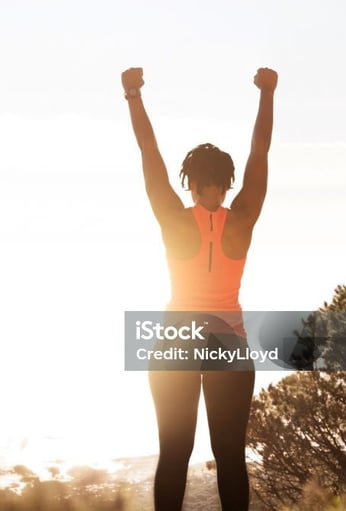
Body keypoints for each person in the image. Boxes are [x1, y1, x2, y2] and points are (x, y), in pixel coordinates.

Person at [122, 66, 277, 510]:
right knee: (230, 457)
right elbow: (260, 150)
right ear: (228, 183)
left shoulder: (175, 220)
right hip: (228, 342)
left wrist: (133, 94)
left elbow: (149, 151)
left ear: (189, 182)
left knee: (174, 454)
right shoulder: (242, 219)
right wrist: (267, 93)